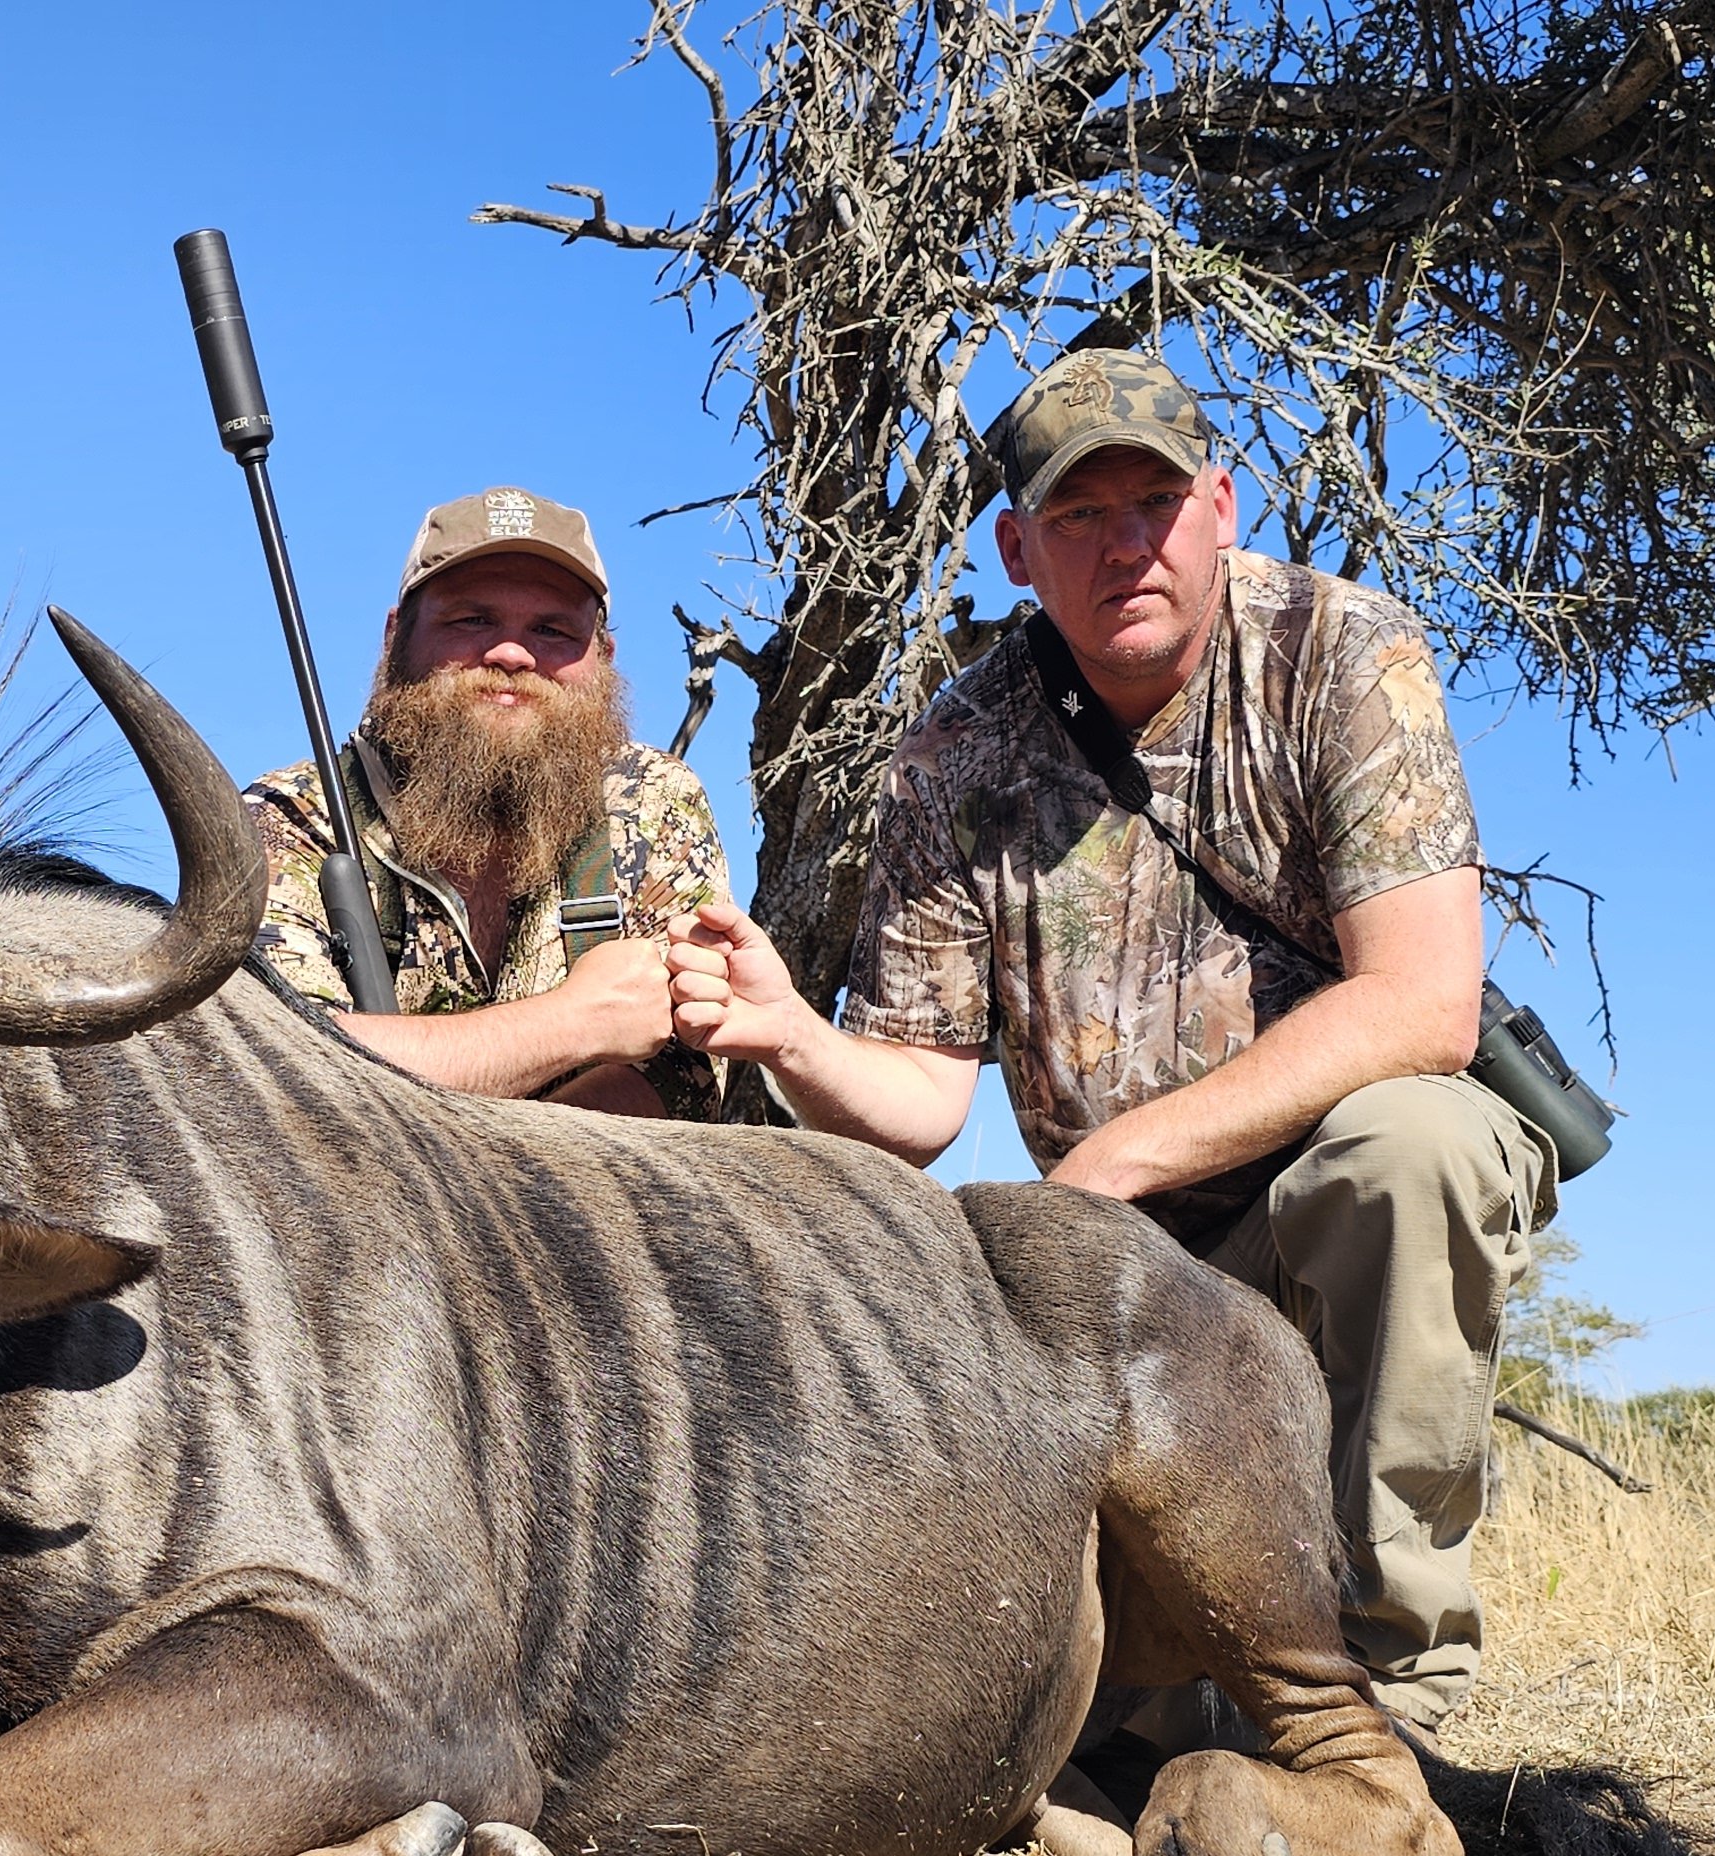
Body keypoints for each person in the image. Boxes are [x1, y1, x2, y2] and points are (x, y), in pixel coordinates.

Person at [663, 350, 1548, 1735]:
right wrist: (790, 1042)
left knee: (1408, 1148)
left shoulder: (1345, 653)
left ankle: (1394, 1700)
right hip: (1133, 1263)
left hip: (1290, 1197)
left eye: (1157, 501)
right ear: (1018, 550)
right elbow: (918, 1100)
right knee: (1112, 1712)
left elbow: (1423, 1005)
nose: (1127, 544)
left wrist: (1117, 1162)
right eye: (1079, 516)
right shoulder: (953, 752)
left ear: (1224, 507)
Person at [242, 487, 731, 1120]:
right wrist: (571, 1024)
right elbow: (276, 1067)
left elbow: (681, 1080)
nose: (510, 653)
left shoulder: (652, 802)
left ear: (603, 659)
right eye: (472, 620)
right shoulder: (295, 818)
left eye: (552, 630)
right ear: (396, 638)